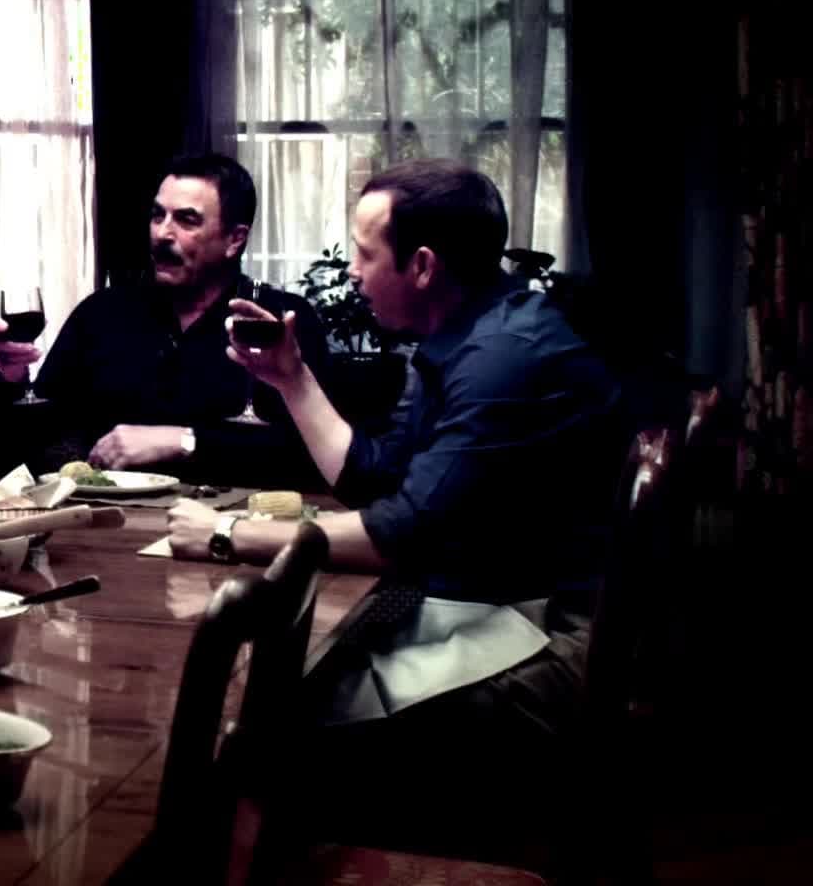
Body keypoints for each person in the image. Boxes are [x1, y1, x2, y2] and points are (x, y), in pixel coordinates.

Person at [164, 160, 622, 762]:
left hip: (548, 630)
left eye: (365, 253)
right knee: (278, 689)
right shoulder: (468, 333)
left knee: (268, 716)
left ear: (423, 266)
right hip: (488, 598)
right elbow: (375, 481)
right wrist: (292, 379)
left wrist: (225, 532)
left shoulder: (503, 358)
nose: (353, 272)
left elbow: (399, 536)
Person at [0, 153, 328, 486]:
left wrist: (184, 441)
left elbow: (310, 457)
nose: (162, 234)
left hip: (234, 524)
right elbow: (28, 447)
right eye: (158, 216)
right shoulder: (101, 314)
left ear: (234, 240)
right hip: (109, 523)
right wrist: (13, 379)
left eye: (186, 220)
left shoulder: (278, 322)